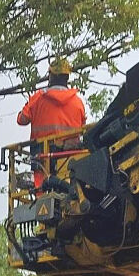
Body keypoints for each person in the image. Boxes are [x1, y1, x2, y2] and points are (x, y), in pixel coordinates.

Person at [17, 59, 87, 189]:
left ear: (51, 76)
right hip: (69, 162)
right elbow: (83, 128)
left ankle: (40, 195)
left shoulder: (38, 98)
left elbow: (21, 120)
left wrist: (29, 104)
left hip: (42, 159)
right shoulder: (78, 103)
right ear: (67, 77)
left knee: (41, 193)